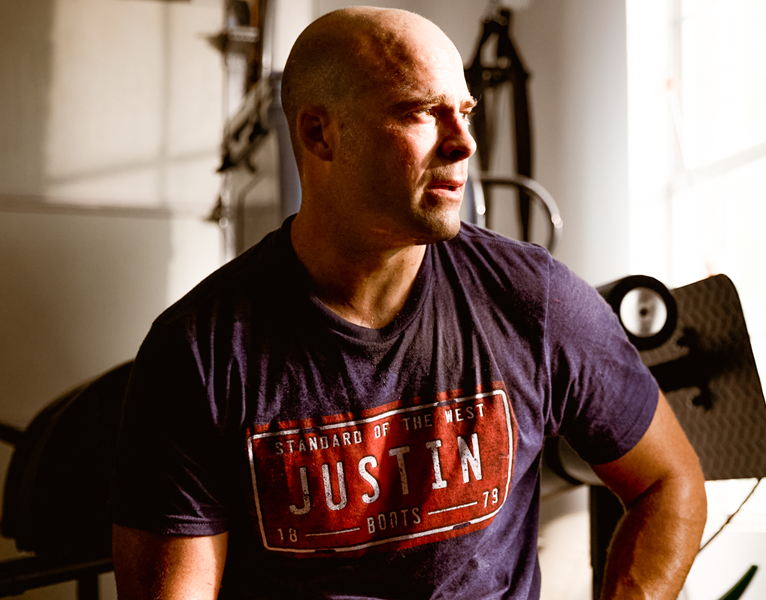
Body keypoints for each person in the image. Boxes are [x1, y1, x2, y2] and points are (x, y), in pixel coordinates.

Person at [109, 7, 707, 599]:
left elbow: (668, 480)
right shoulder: (198, 351)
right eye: (422, 111)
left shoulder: (535, 299)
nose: (464, 142)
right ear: (320, 133)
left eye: (466, 112)